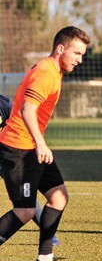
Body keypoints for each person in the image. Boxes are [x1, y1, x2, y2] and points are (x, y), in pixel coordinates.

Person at [0, 26, 90, 261]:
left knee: (59, 197)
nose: (80, 59)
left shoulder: (53, 70)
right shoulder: (45, 73)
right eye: (77, 53)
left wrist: (38, 144)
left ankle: (45, 259)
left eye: (82, 54)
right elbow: (28, 109)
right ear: (61, 49)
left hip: (32, 147)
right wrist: (40, 142)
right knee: (26, 211)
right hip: (18, 148)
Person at [0, 94, 60, 247]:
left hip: (4, 153)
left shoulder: (3, 103)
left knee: (25, 194)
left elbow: (16, 121)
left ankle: (48, 234)